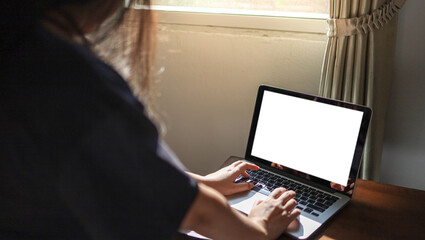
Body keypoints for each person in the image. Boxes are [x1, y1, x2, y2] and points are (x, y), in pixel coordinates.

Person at [0, 0, 300, 239]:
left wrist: (202, 182)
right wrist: (258, 229)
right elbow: (194, 213)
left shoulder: (21, 49)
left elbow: (110, 164)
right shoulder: (71, 81)